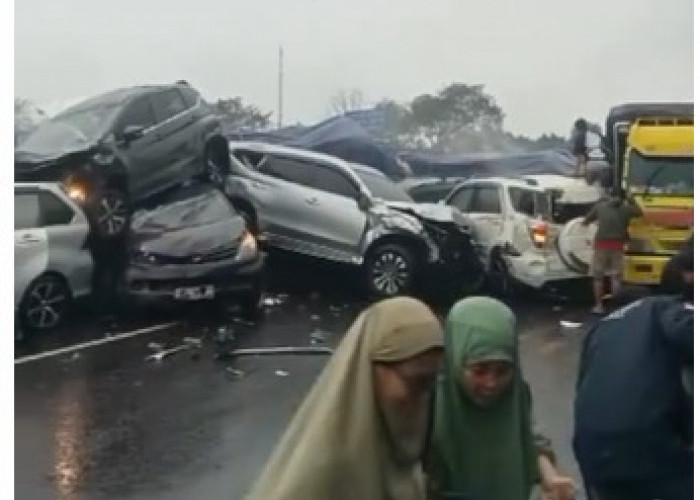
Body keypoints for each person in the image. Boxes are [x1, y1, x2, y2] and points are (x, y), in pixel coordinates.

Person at [244, 296, 444, 500]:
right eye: (416, 382)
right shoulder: (323, 470)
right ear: (370, 370)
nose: (423, 397)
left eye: (430, 384)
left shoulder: (400, 452)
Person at [427, 296, 577, 500]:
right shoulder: (429, 402)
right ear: (455, 361)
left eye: (503, 370)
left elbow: (529, 437)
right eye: (479, 370)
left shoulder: (516, 394)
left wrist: (550, 478)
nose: (492, 383)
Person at [573, 277, 693, 500]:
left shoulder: (598, 330)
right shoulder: (661, 306)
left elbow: (582, 391)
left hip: (594, 453)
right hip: (653, 446)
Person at [582, 190, 642, 314]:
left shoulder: (600, 207)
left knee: (598, 277)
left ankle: (599, 306)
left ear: (609, 196)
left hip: (601, 245)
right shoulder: (626, 209)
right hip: (618, 245)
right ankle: (616, 307)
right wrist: (632, 200)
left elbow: (585, 221)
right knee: (616, 277)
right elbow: (640, 213)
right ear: (623, 198)